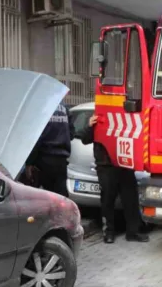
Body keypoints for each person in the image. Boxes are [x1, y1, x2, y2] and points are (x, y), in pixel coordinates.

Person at [79, 113, 148, 244]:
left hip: (125, 165)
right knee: (107, 200)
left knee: (130, 200)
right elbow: (84, 139)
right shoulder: (98, 117)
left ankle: (133, 232)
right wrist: (90, 126)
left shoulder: (127, 117)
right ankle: (108, 232)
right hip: (106, 166)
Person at [24, 102, 73, 197]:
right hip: (61, 160)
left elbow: (37, 139)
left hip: (44, 159)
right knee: (60, 195)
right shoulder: (64, 108)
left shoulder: (42, 106)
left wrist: (29, 163)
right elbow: (71, 133)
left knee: (41, 196)